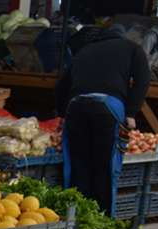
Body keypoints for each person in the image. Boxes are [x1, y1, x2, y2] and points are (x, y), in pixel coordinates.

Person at [55, 25, 151, 212]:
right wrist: (131, 112)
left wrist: (61, 113)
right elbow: (143, 80)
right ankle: (102, 216)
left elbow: (61, 86)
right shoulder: (132, 48)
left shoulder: (85, 51)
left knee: (79, 164)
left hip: (76, 106)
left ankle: (75, 215)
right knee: (105, 165)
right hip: (107, 107)